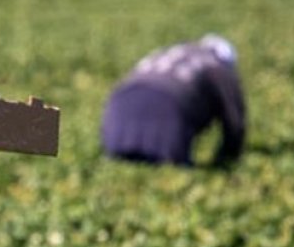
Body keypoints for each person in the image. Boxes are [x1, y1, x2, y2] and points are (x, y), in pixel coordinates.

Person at [101, 35, 245, 168]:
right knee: (170, 171)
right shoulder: (218, 66)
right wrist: (226, 161)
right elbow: (234, 120)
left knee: (120, 164)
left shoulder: (166, 53)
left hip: (118, 109)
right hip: (168, 111)